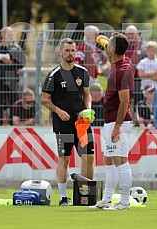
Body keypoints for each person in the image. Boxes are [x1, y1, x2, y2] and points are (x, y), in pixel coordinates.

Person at [42, 38, 95, 206]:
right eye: (67, 51)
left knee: (89, 157)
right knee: (64, 159)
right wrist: (58, 111)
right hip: (63, 124)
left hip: (82, 123)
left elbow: (87, 94)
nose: (70, 54)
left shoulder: (82, 72)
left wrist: (87, 108)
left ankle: (86, 195)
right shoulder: (53, 75)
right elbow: (44, 100)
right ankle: (63, 197)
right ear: (60, 52)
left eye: (72, 51)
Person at [90, 32, 134, 210]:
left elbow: (125, 101)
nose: (106, 46)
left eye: (109, 45)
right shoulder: (120, 62)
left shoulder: (121, 70)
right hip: (111, 120)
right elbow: (109, 44)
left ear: (114, 49)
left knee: (120, 161)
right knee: (109, 160)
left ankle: (124, 201)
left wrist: (116, 127)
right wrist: (102, 39)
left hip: (118, 122)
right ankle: (107, 199)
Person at [0, 26, 26, 126]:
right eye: (8, 34)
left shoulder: (16, 48)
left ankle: (12, 124)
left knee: (13, 104)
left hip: (12, 80)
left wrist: (10, 63)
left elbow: (22, 63)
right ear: (2, 35)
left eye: (12, 34)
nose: (11, 36)